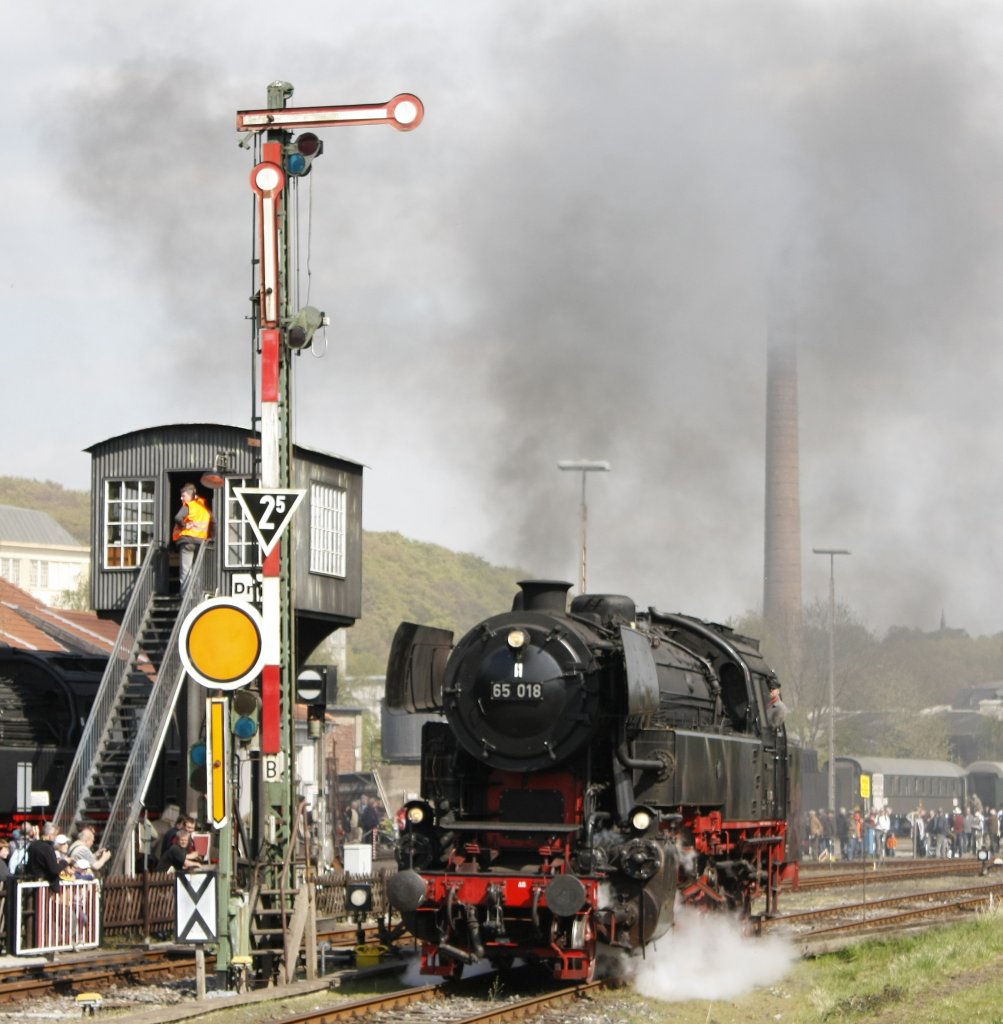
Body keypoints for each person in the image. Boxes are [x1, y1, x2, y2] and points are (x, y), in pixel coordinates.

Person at [173, 483, 212, 588]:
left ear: (190, 496)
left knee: (185, 570)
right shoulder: (204, 508)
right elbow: (214, 521)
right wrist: (213, 537)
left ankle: (185, 596)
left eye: (183, 496)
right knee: (197, 570)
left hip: (187, 541)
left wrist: (184, 524)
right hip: (201, 542)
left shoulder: (188, 505)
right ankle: (196, 594)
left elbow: (177, 517)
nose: (182, 498)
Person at [27, 825, 69, 891]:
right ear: (50, 835)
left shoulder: (33, 845)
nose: (55, 838)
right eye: (55, 835)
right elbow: (54, 869)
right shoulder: (47, 848)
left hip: (33, 882)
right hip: (44, 886)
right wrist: (64, 862)